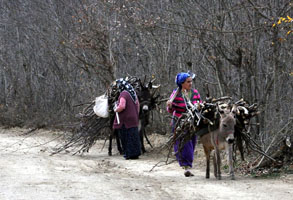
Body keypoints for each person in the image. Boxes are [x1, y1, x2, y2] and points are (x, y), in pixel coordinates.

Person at [166, 72, 201, 177]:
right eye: (188, 82)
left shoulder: (195, 93)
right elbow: (169, 109)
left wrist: (198, 106)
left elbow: (199, 103)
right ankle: (186, 166)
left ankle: (188, 163)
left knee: (192, 142)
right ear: (182, 83)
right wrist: (170, 106)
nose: (190, 84)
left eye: (191, 81)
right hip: (179, 121)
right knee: (183, 143)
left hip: (192, 121)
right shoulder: (176, 93)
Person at [113, 78, 141, 159]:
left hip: (126, 120)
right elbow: (138, 105)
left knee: (126, 136)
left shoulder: (123, 94)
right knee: (134, 136)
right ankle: (135, 154)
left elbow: (122, 106)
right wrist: (135, 115)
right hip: (133, 118)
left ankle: (128, 154)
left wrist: (116, 109)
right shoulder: (132, 93)